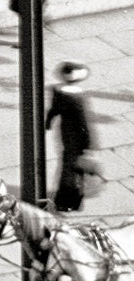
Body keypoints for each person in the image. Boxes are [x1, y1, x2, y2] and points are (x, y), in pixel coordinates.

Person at [45, 61, 98, 212]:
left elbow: (53, 110)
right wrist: (88, 146)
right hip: (76, 138)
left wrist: (48, 122)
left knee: (66, 164)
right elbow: (83, 124)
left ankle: (63, 198)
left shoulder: (58, 91)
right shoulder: (77, 97)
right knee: (74, 169)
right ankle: (68, 201)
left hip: (65, 132)